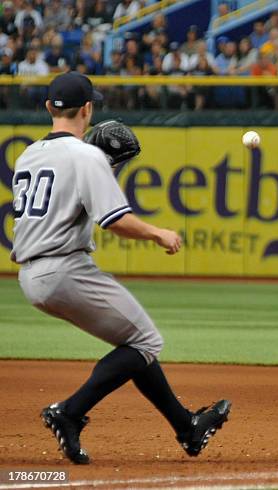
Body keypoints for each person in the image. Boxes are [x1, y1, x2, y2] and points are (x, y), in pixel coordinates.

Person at [11, 72, 231, 464]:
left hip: (31, 274)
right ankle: (70, 412)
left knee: (135, 343)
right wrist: (157, 233)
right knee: (144, 343)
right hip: (64, 268)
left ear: (49, 108)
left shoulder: (28, 156)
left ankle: (187, 428)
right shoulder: (86, 156)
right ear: (89, 108)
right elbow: (113, 219)